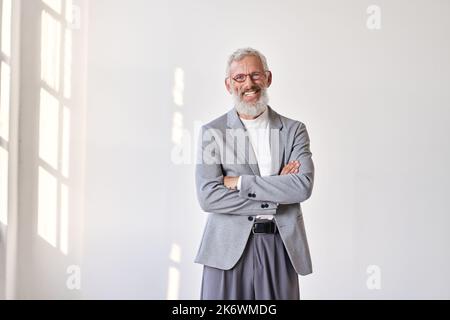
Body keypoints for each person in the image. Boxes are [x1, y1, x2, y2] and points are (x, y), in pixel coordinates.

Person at [195, 47, 314, 300]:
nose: (248, 83)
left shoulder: (294, 130)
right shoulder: (212, 133)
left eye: (255, 75)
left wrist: (238, 182)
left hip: (280, 247)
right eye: (239, 78)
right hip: (225, 250)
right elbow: (208, 197)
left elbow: (302, 186)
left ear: (268, 78)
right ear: (229, 85)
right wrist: (277, 189)